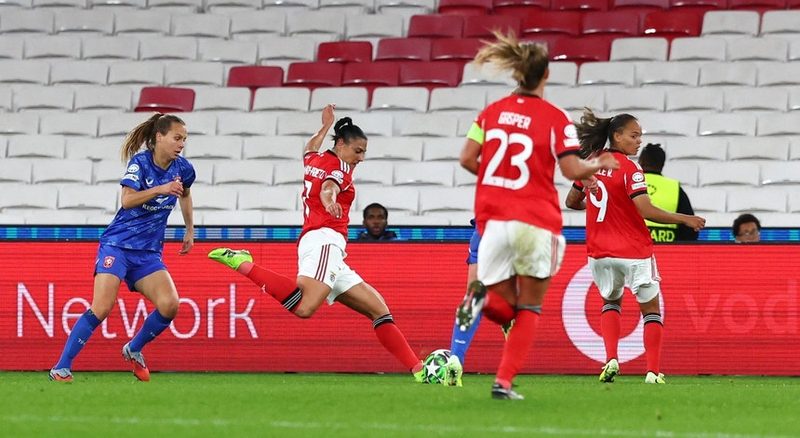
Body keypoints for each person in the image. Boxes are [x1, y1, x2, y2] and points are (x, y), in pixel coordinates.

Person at [456, 32, 620, 400]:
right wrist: (598, 162)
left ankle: (480, 301)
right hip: (536, 220)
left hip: (493, 221)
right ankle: (503, 382)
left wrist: (498, 184)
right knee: (528, 306)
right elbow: (570, 170)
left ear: (516, 73)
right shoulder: (555, 118)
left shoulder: (491, 112)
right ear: (545, 75)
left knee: (500, 303)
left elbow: (467, 159)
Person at [208, 105, 424, 381]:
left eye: (364, 152)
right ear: (343, 145)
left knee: (379, 310)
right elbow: (328, 187)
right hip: (325, 240)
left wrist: (324, 127)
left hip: (325, 246)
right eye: (358, 150)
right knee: (305, 307)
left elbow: (308, 148)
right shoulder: (341, 169)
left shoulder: (315, 159)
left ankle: (419, 370)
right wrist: (330, 201)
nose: (361, 157)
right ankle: (242, 262)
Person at [49, 113, 196, 382]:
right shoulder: (140, 164)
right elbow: (127, 200)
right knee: (102, 307)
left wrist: (189, 228)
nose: (181, 144)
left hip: (148, 253)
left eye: (184, 139)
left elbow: (185, 193)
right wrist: (160, 189)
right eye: (177, 138)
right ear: (159, 137)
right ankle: (61, 367)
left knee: (170, 305)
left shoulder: (183, 169)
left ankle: (134, 348)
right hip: (117, 246)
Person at [565, 109, 705, 385]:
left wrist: (592, 203)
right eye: (634, 135)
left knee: (611, 302)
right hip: (633, 250)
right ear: (617, 136)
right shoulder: (631, 169)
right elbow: (645, 209)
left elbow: (571, 201)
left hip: (599, 253)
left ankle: (611, 359)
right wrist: (684, 218)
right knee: (651, 309)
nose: (638, 141)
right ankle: (653, 371)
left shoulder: (590, 162)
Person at [638, 143, 698, 242]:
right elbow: (690, 228)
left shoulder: (629, 184)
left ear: (641, 162)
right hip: (668, 252)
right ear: (662, 164)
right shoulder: (675, 188)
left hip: (634, 249)